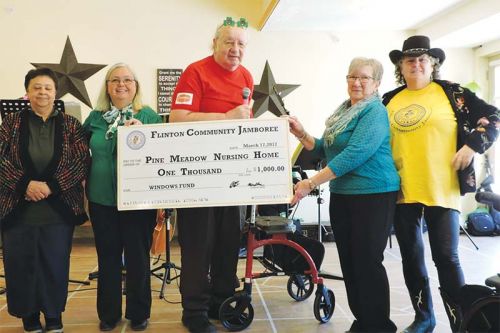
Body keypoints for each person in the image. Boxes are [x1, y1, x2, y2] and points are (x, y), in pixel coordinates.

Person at [382, 35, 499, 333]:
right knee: (411, 257)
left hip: (442, 187)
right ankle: (425, 318)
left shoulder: (453, 93)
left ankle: (462, 322)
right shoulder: (389, 100)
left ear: (433, 64)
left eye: (423, 59)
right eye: (410, 60)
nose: (417, 64)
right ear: (401, 66)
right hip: (401, 190)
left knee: (446, 257)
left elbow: (494, 117)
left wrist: (472, 145)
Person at [289, 57, 400, 332]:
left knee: (367, 260)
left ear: (376, 84)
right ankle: (363, 321)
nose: (357, 82)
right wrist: (303, 134)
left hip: (374, 194)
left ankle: (379, 326)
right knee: (350, 261)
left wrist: (310, 183)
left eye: (364, 78)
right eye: (352, 77)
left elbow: (355, 154)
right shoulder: (342, 112)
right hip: (344, 194)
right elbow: (327, 150)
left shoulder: (374, 111)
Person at [169, 17, 253, 333]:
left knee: (228, 245)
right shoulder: (196, 71)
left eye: (241, 44)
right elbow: (177, 119)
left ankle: (221, 302)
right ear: (214, 44)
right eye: (228, 42)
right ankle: (193, 312)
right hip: (196, 177)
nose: (234, 49)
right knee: (197, 247)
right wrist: (226, 117)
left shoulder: (246, 76)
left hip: (230, 177)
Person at [0, 67, 90, 333]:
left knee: (54, 264)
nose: (42, 92)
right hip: (17, 208)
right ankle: (29, 316)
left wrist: (50, 187)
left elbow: (81, 161)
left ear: (55, 92)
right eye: (36, 87)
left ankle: (53, 316)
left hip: (57, 210)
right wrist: (24, 184)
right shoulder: (11, 122)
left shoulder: (71, 124)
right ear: (27, 92)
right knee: (20, 264)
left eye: (48, 87)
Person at [83, 63, 162, 331]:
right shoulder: (94, 118)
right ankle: (108, 314)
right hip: (101, 198)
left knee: (138, 256)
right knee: (107, 257)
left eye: (128, 79)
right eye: (114, 80)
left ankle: (139, 312)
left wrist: (143, 134)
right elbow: (79, 153)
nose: (121, 84)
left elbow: (163, 155)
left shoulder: (149, 116)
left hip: (139, 200)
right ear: (107, 86)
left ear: (136, 85)